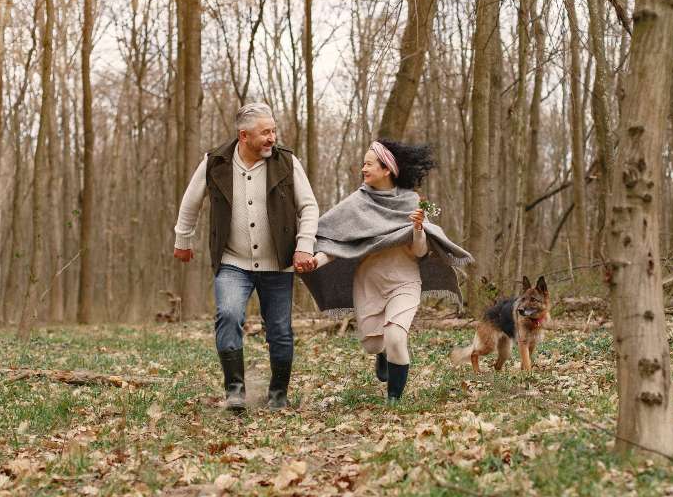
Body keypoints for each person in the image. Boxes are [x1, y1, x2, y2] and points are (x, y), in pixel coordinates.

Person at [298, 140, 472, 403]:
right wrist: (315, 261)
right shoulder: (357, 203)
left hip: (404, 281)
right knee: (373, 344)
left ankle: (394, 400)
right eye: (363, 164)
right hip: (369, 284)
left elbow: (421, 252)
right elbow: (338, 242)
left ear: (386, 169)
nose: (363, 169)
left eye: (369, 164)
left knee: (395, 337)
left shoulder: (411, 202)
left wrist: (417, 229)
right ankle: (382, 355)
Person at [173, 102, 319, 411]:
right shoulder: (216, 162)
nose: (271, 138)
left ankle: (278, 394)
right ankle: (235, 392)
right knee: (228, 315)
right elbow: (190, 203)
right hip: (233, 261)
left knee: (279, 330)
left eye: (273, 131)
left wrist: (304, 244)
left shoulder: (287, 162)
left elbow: (309, 207)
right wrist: (183, 240)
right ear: (244, 135)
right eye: (265, 132)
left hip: (278, 263)